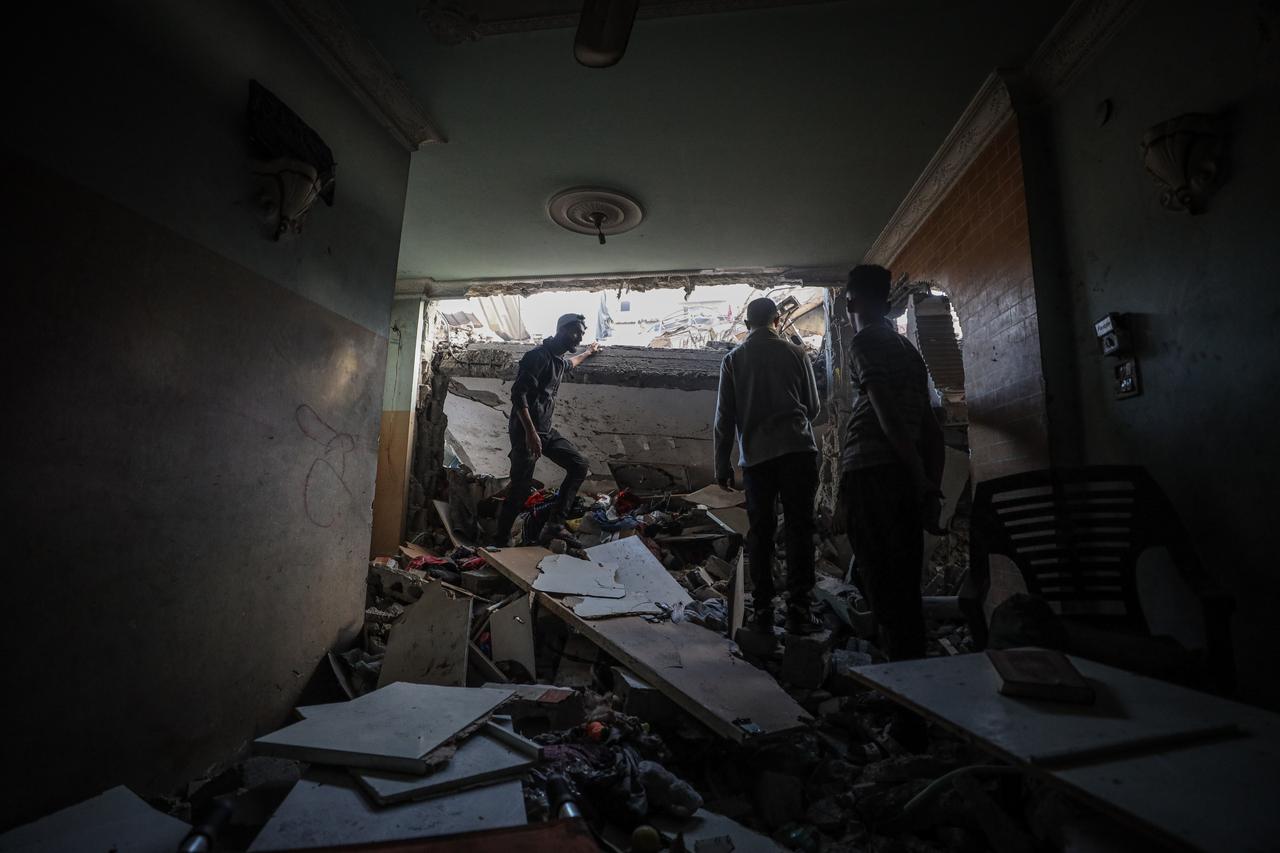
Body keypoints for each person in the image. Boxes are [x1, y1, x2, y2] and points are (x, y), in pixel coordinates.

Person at [841, 264, 945, 751]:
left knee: (886, 592)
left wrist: (918, 475)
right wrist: (928, 484)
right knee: (901, 591)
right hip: (903, 479)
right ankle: (913, 704)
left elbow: (882, 410)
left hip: (873, 473)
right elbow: (932, 425)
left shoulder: (865, 342)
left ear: (852, 300)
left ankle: (909, 721)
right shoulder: (909, 350)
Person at [714, 297, 822, 634]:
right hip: (797, 450)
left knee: (761, 534)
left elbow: (724, 419)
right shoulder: (796, 353)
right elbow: (814, 408)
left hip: (757, 459)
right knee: (800, 530)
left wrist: (722, 464)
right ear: (777, 321)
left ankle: (762, 610)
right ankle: (799, 611)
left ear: (747, 326)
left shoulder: (733, 360)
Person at [493, 313, 601, 546]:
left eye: (582, 334)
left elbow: (571, 364)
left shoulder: (558, 361)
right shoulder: (537, 357)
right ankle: (498, 542)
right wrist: (531, 434)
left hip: (545, 431)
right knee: (520, 490)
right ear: (561, 329)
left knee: (579, 465)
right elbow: (518, 394)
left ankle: (554, 525)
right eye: (576, 332)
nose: (579, 338)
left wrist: (589, 352)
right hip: (526, 432)